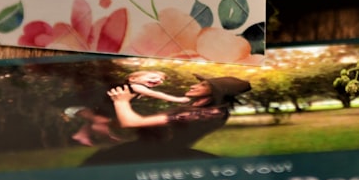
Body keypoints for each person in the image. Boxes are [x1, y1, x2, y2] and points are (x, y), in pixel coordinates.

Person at [81, 74, 252, 165]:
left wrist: (121, 101)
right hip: (150, 149)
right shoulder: (196, 108)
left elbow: (131, 122)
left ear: (217, 92)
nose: (194, 85)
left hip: (159, 154)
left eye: (203, 85)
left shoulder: (209, 113)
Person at [66, 69, 188, 147]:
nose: (158, 80)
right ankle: (108, 139)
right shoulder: (135, 86)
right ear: (132, 79)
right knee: (101, 121)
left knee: (98, 119)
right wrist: (178, 99)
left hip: (85, 106)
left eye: (161, 80)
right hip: (75, 105)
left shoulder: (138, 90)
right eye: (152, 77)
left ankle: (81, 135)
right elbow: (156, 94)